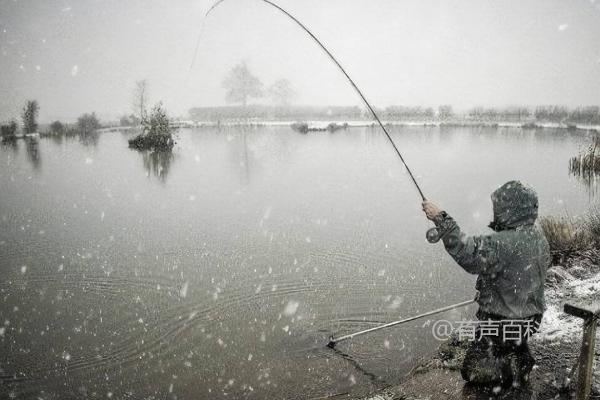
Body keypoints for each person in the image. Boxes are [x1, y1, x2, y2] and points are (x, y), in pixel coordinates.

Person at [421, 180, 550, 388]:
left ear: (511, 209)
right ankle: (518, 353)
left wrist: (440, 218)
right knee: (512, 339)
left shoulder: (503, 242)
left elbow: (467, 253)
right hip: (531, 317)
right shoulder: (538, 236)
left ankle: (510, 372)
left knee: (472, 371)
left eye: (499, 207)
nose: (495, 212)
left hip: (503, 322)